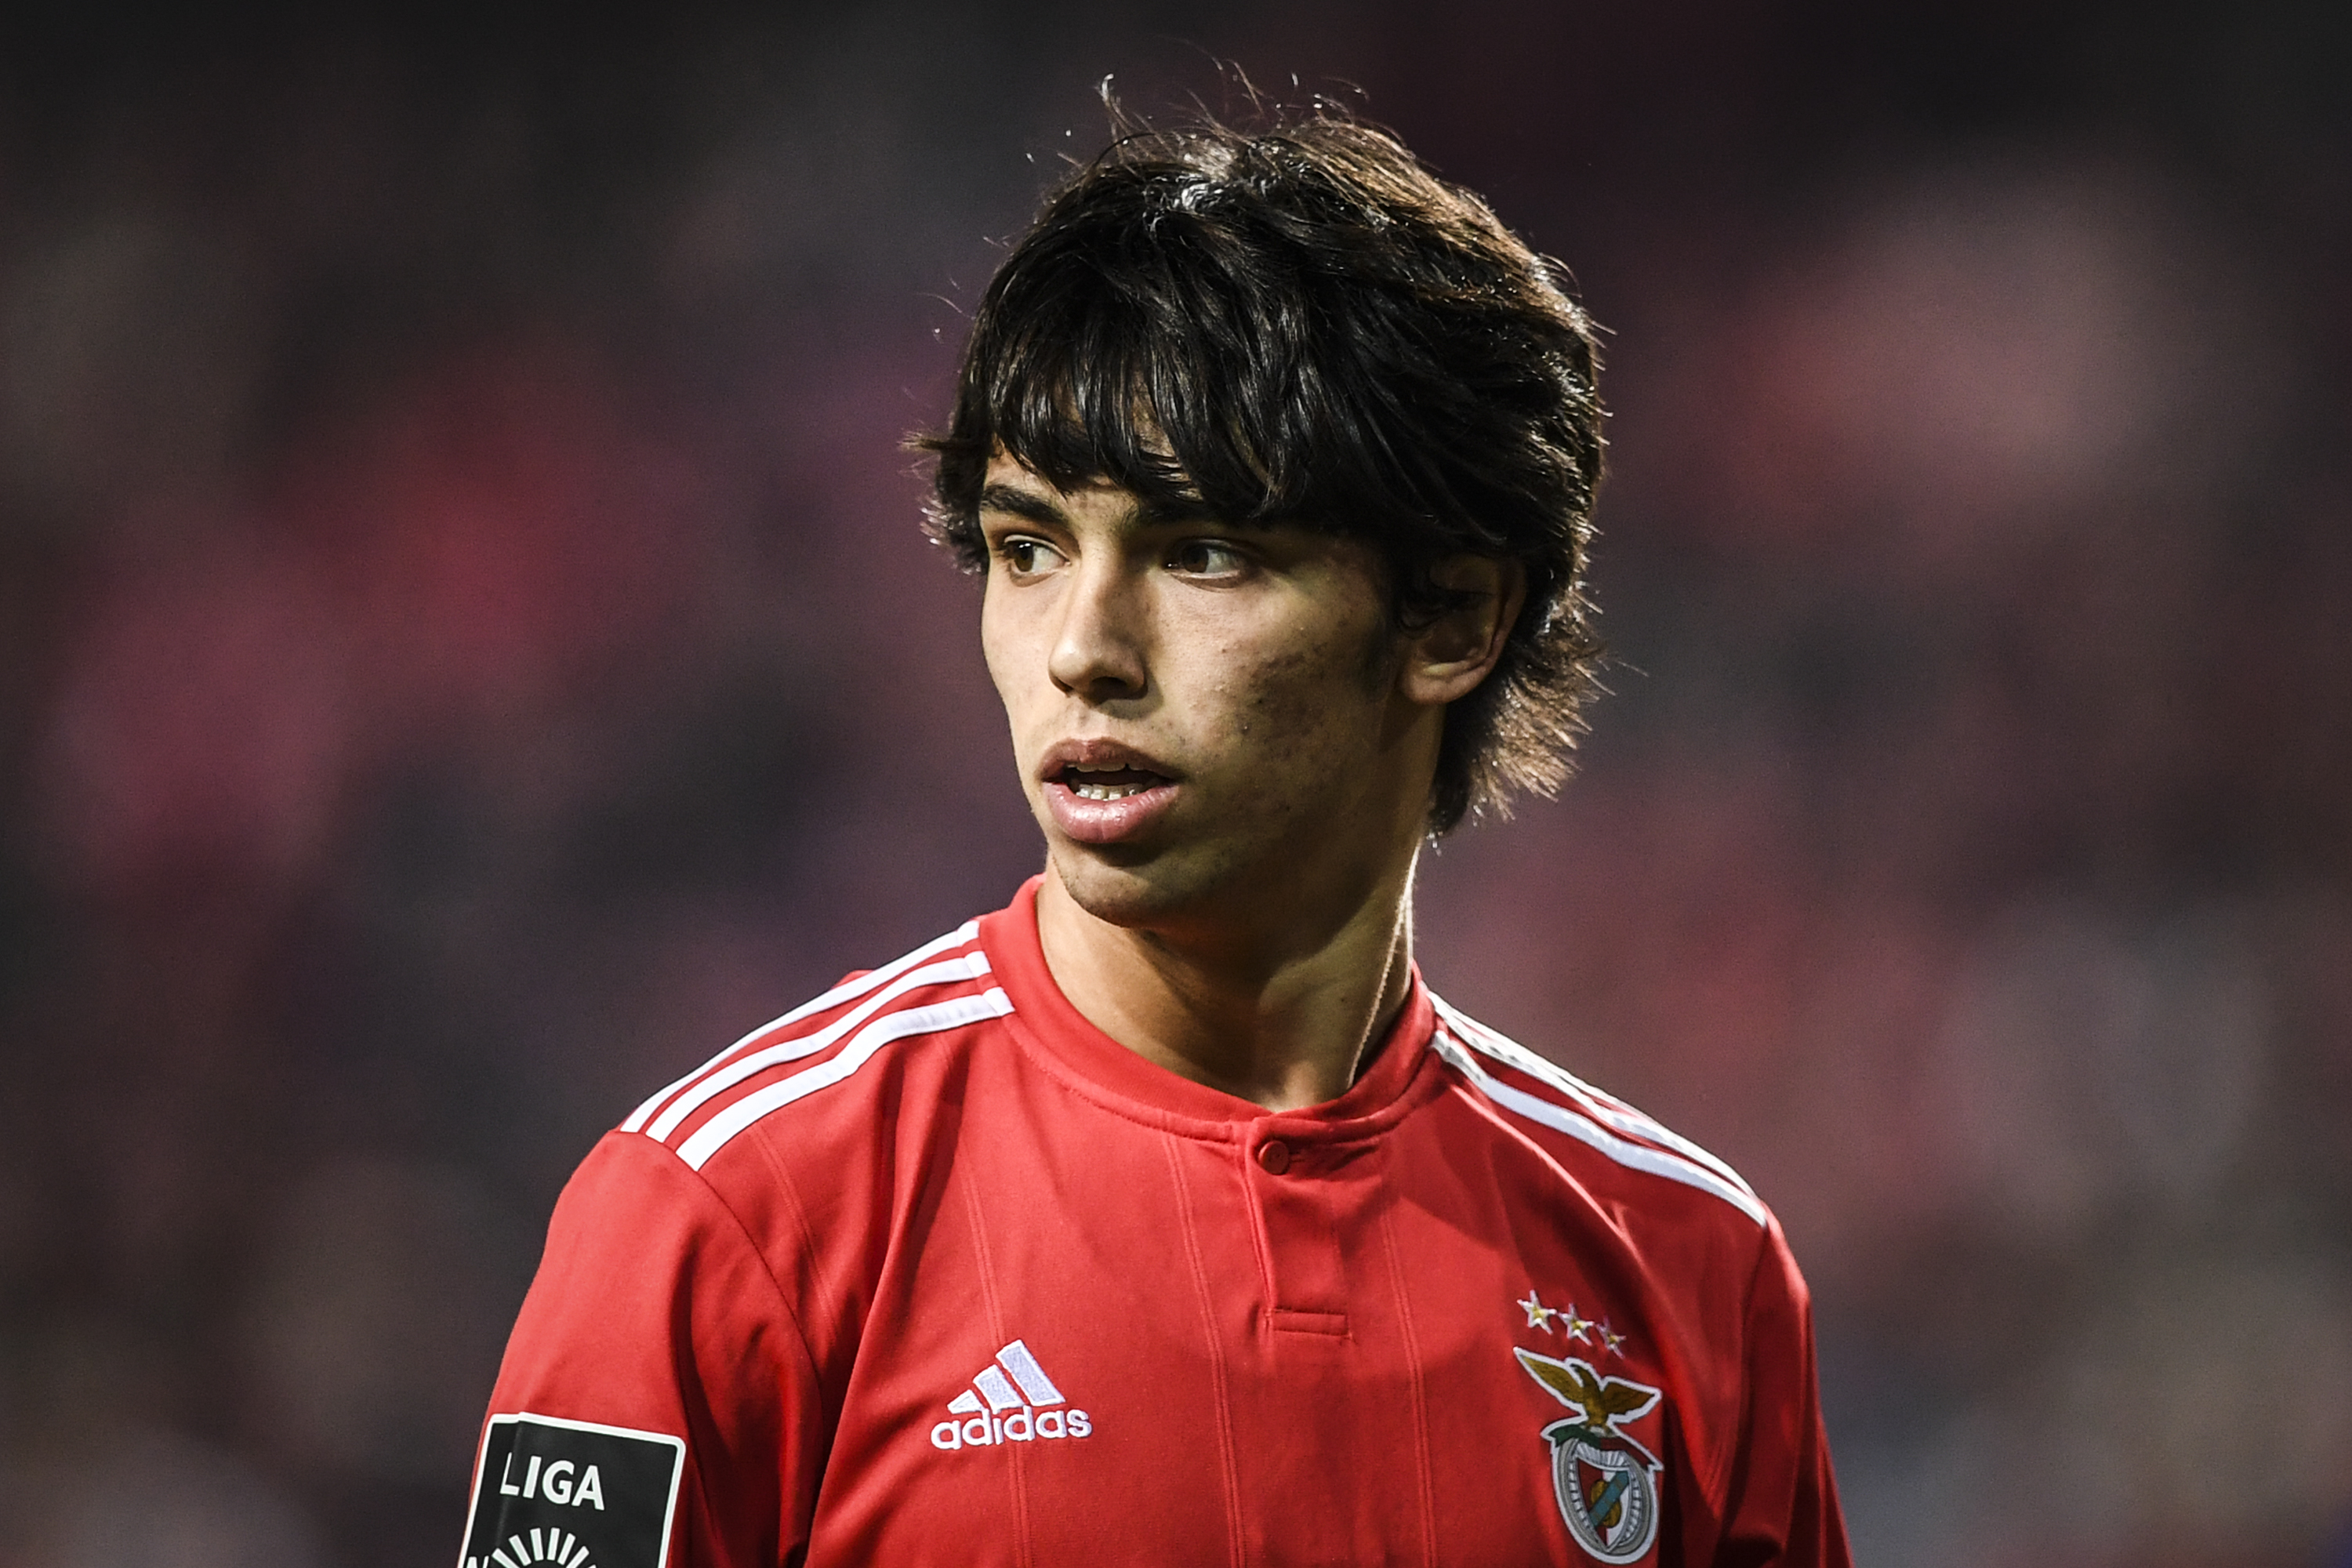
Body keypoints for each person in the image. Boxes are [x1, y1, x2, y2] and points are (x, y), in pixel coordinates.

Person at [459, 107, 1850, 1568]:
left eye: (1202, 553)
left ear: (1453, 615)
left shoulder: (1690, 1276)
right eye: (1028, 548)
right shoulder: (728, 1218)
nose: (1082, 649)